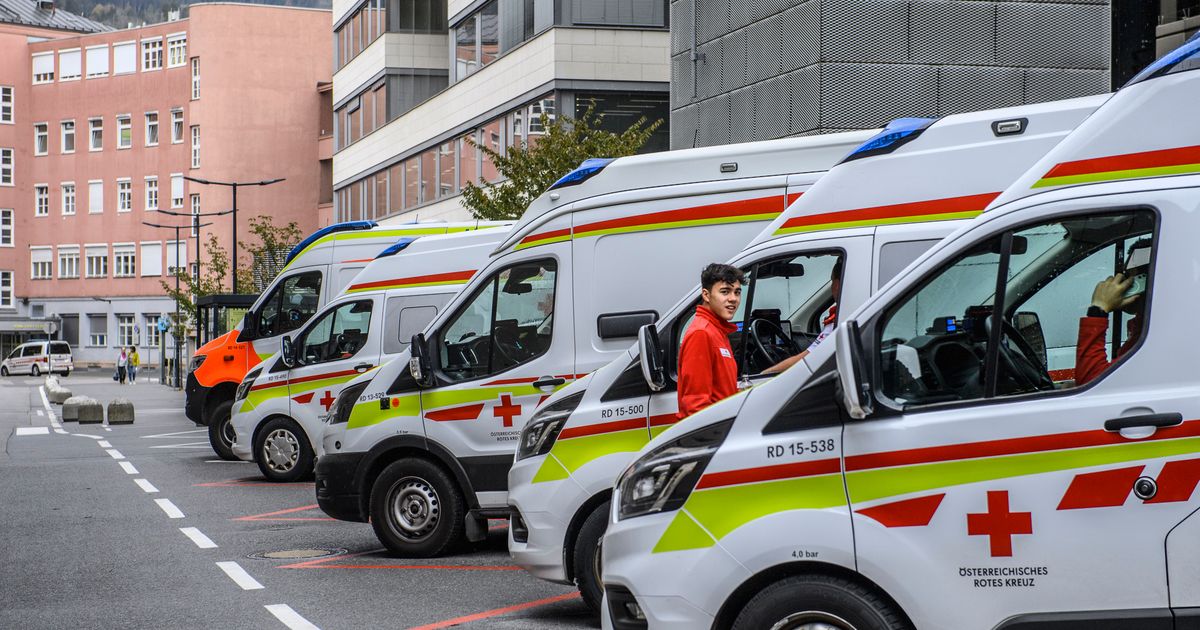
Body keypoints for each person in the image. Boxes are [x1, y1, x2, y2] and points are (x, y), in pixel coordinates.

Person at [1075, 240, 1151, 386]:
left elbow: (1092, 384)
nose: (1121, 284)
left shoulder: (1155, 331)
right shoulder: (1143, 327)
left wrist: (1099, 309)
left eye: (1129, 277)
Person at [677, 263, 744, 419]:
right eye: (725, 292)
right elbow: (695, 405)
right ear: (706, 295)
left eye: (737, 292)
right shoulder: (701, 333)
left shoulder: (717, 330)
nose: (733, 299)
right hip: (710, 436)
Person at [761, 258, 842, 375]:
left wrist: (764, 375)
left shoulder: (839, 319)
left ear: (837, 284)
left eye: (832, 281)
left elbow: (807, 359)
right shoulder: (847, 312)